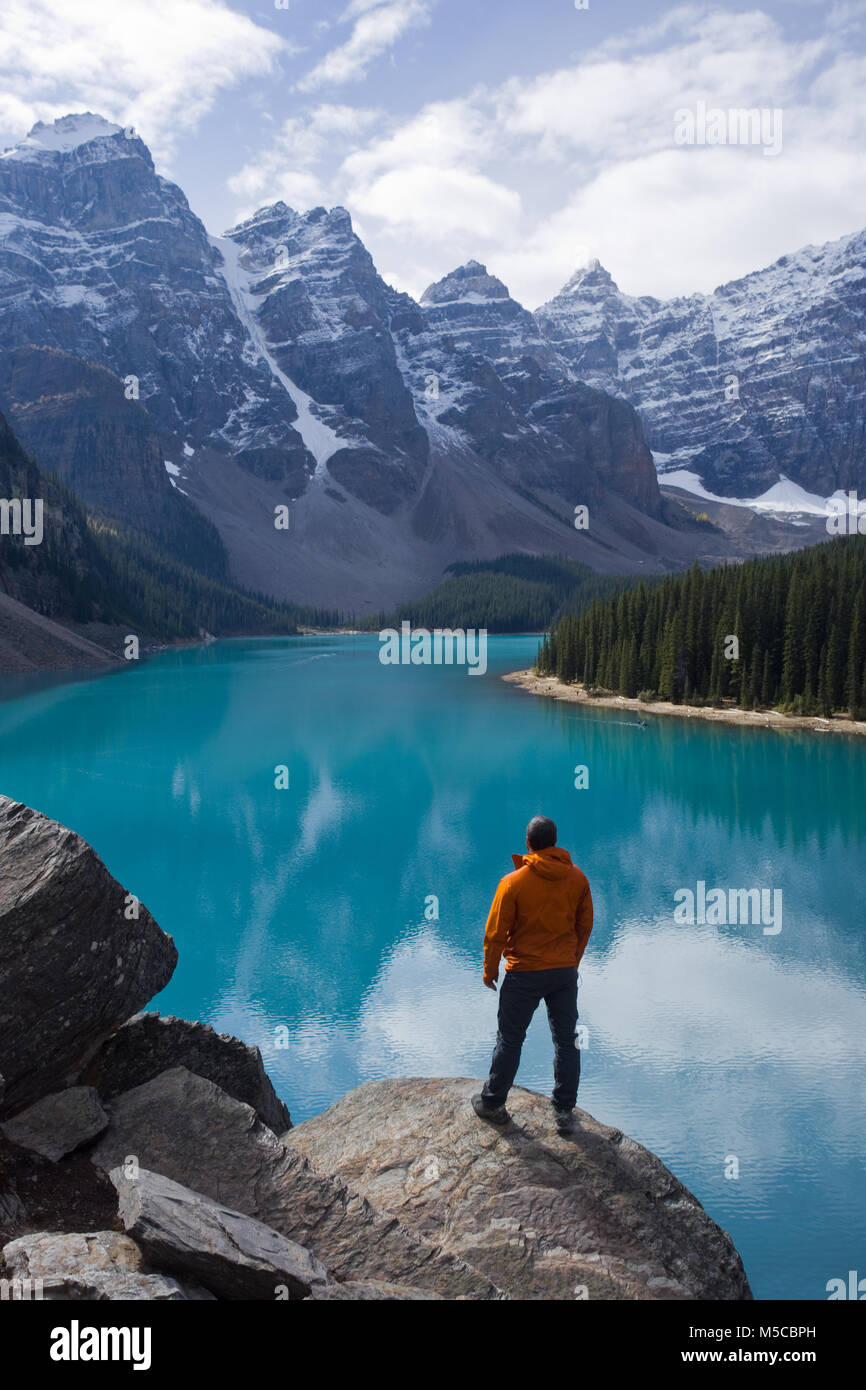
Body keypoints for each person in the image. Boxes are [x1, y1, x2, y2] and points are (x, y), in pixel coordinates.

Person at [472, 815, 593, 1134]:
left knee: (510, 1038)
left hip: (524, 972)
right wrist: (572, 960)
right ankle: (564, 1109)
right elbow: (585, 925)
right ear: (555, 843)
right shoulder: (578, 879)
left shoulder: (512, 883)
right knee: (567, 1040)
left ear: (528, 844)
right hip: (563, 972)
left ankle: (493, 1103)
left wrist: (490, 970)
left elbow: (495, 932)